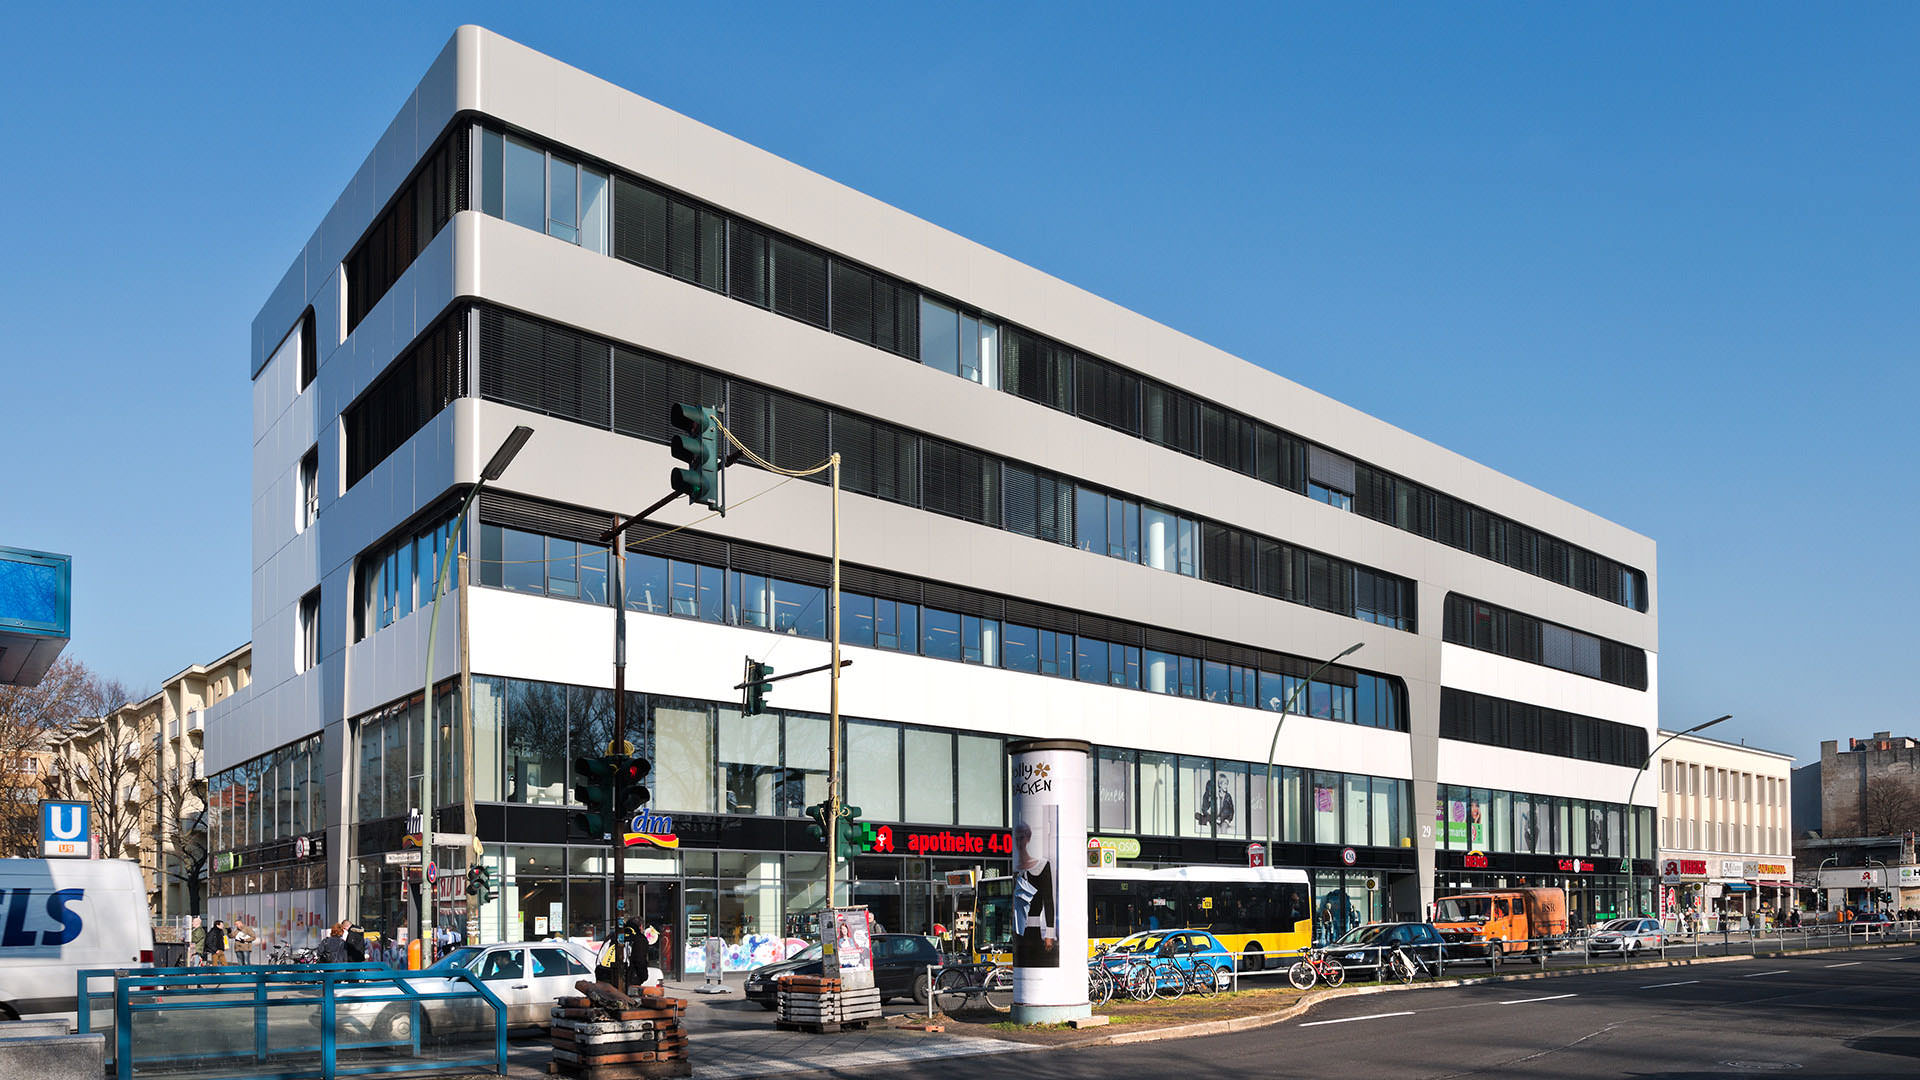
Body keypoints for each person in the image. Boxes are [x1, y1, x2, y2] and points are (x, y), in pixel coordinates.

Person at [1011, 819, 1056, 967]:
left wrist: (1049, 934)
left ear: (1028, 838)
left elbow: (1048, 900)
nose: (1018, 841)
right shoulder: (1016, 870)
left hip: (1036, 932)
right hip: (1020, 933)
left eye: (1022, 837)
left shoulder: (1042, 866)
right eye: (1016, 837)